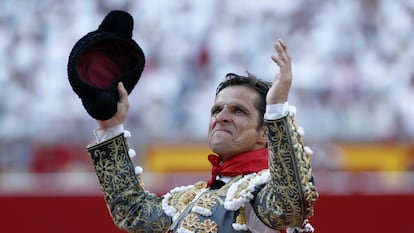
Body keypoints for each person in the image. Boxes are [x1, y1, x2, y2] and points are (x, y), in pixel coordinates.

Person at [84, 38, 318, 233]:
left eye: (238, 111)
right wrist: (111, 127)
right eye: (217, 110)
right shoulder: (190, 199)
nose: (221, 117)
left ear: (265, 133)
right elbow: (132, 211)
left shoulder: (261, 190)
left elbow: (289, 205)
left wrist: (277, 107)